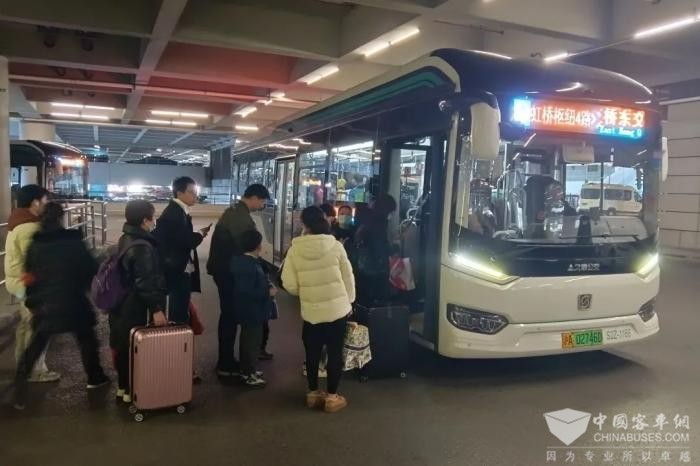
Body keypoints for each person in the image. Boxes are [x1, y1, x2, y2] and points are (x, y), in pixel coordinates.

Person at [13, 203, 108, 409]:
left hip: (45, 303)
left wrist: (32, 301)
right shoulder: (74, 243)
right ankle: (95, 377)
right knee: (87, 340)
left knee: (35, 345)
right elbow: (89, 269)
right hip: (73, 300)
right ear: (61, 218)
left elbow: (29, 276)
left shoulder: (35, 245)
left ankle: (18, 388)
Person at [282, 206, 355, 413]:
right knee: (334, 353)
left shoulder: (295, 249)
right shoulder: (336, 246)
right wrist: (349, 301)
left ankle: (313, 394)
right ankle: (332, 397)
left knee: (312, 353)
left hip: (312, 311)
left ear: (304, 224)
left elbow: (289, 284)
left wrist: (307, 291)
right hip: (337, 310)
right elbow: (348, 277)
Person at [207, 183, 270, 376]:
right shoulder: (239, 217)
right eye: (262, 201)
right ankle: (225, 363)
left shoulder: (235, 211)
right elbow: (245, 247)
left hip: (224, 269)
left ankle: (227, 360)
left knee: (229, 315)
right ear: (254, 198)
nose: (262, 205)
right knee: (230, 316)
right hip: (227, 271)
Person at [109, 200, 168, 403]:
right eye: (153, 216)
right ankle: (133, 392)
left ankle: (123, 388)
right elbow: (145, 281)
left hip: (120, 302)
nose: (154, 220)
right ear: (145, 220)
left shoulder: (125, 238)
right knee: (135, 347)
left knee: (124, 346)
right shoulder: (142, 246)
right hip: (134, 305)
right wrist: (157, 309)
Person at [4, 185, 60, 383]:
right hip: (31, 284)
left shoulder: (18, 222)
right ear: (35, 202)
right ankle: (35, 371)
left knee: (26, 325)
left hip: (19, 283)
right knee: (37, 328)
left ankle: (24, 366)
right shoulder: (30, 228)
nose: (46, 204)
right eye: (45, 200)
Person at [154, 177, 210, 325]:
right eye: (191, 192)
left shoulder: (178, 211)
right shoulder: (175, 214)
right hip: (177, 268)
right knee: (179, 311)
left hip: (178, 267)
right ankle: (178, 335)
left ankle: (178, 332)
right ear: (179, 193)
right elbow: (185, 242)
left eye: (196, 192)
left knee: (180, 307)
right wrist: (200, 234)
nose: (195, 196)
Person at [230, 230, 277, 387]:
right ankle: (248, 374)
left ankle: (249, 369)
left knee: (250, 341)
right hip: (252, 311)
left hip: (252, 310)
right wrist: (268, 292)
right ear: (257, 246)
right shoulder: (248, 265)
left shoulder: (245, 261)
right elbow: (246, 290)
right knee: (251, 343)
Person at [355, 194, 397, 306]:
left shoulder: (367, 219)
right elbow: (380, 248)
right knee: (377, 301)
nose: (392, 214)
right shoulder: (380, 223)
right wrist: (395, 247)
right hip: (376, 269)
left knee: (365, 299)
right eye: (392, 211)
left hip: (364, 266)